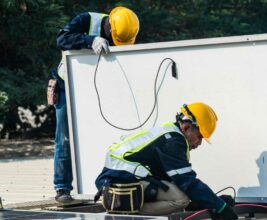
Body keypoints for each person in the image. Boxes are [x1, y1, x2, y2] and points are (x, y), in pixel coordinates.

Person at [52, 6, 139, 203]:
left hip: (101, 90)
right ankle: (62, 188)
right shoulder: (86, 20)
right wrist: (90, 40)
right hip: (69, 87)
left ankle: (104, 183)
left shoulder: (124, 31)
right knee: (65, 138)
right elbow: (62, 40)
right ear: (109, 26)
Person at [95, 102, 238, 219]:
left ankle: (126, 206)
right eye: (199, 136)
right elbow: (187, 182)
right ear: (187, 127)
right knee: (179, 200)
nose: (199, 143)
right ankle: (124, 211)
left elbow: (177, 181)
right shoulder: (173, 142)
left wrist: (208, 202)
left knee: (179, 193)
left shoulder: (171, 135)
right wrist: (220, 207)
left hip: (121, 178)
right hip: (118, 180)